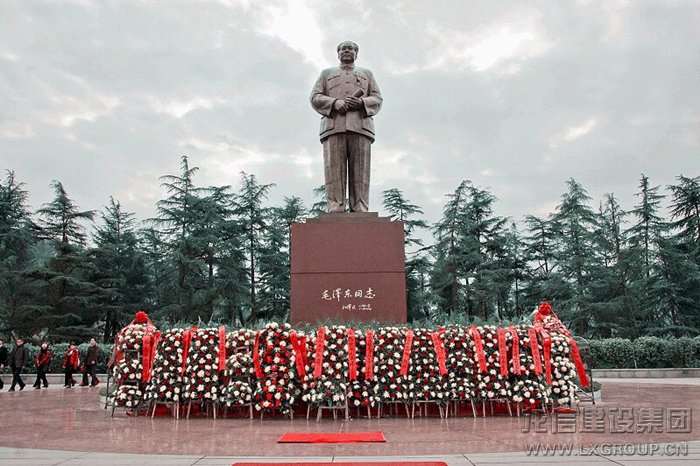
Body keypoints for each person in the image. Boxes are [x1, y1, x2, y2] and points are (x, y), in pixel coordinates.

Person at [310, 40, 383, 213]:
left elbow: (377, 99)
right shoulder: (326, 73)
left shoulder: (367, 74)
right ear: (338, 53)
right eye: (343, 49)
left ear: (356, 53)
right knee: (333, 169)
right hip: (334, 126)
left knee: (361, 171)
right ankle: (335, 206)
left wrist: (361, 103)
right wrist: (334, 103)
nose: (346, 51)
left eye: (350, 48)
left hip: (361, 126)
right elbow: (315, 97)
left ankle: (360, 207)